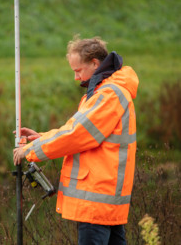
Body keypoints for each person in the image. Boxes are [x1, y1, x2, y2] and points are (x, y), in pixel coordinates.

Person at [13, 35, 139, 245]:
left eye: (78, 70)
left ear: (95, 64)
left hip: (96, 201)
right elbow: (77, 131)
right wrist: (42, 137)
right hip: (104, 201)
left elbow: (76, 135)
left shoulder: (108, 95)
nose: (76, 77)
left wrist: (31, 149)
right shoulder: (106, 92)